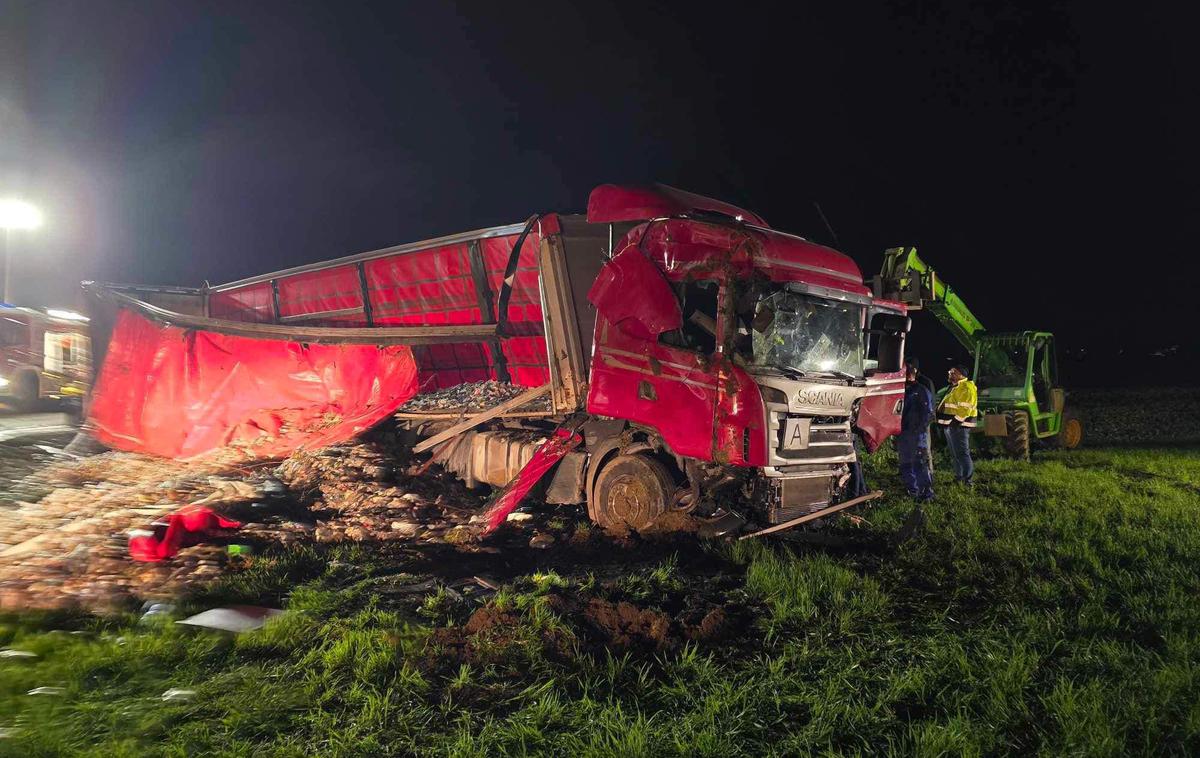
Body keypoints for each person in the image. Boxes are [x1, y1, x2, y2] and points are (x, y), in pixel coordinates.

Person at [898, 362, 935, 500]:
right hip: (903, 433)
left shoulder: (921, 390)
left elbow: (928, 413)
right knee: (905, 462)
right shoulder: (902, 390)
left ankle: (926, 494)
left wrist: (919, 430)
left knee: (919, 463)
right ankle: (912, 491)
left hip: (917, 434)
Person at [937, 364, 978, 487]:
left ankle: (968, 481)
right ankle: (959, 478)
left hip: (959, 427)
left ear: (961, 375)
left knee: (962, 454)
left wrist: (954, 424)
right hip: (951, 426)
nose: (949, 373)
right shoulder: (954, 387)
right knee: (955, 454)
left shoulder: (966, 387)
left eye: (953, 372)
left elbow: (965, 409)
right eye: (950, 371)